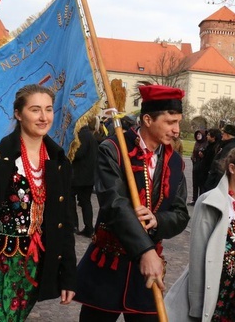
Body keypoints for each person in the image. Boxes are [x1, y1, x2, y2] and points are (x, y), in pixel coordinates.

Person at [0, 84, 76, 320]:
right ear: (18, 114)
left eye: (48, 110)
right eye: (35, 110)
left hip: (31, 269)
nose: (43, 117)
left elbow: (65, 223)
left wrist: (67, 275)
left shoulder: (59, 163)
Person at [75, 84, 190, 321]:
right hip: (108, 266)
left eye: (178, 122)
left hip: (147, 273)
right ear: (147, 119)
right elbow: (114, 204)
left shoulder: (175, 162)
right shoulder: (113, 149)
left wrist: (158, 220)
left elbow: (180, 214)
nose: (177, 130)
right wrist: (145, 251)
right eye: (170, 122)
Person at [165, 144, 235, 321]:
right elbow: (197, 255)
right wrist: (196, 305)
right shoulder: (210, 201)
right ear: (232, 168)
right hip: (213, 288)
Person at [70, 120, 98, 236]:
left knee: (71, 200)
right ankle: (88, 227)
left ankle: (74, 225)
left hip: (78, 176)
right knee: (86, 202)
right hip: (89, 176)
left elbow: (79, 154)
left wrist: (71, 152)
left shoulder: (82, 136)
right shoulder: (91, 136)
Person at [204, 124, 235, 193]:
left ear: (228, 135)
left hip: (218, 181)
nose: (221, 135)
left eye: (223, 133)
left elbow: (222, 167)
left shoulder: (230, 147)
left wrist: (214, 183)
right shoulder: (227, 145)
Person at [189, 129, 207, 204]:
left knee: (201, 184)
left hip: (202, 166)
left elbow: (206, 155)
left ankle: (200, 200)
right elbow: (194, 152)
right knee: (195, 183)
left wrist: (202, 156)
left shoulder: (206, 143)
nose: (198, 136)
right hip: (195, 165)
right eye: (197, 135)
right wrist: (193, 157)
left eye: (200, 135)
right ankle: (194, 199)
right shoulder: (196, 143)